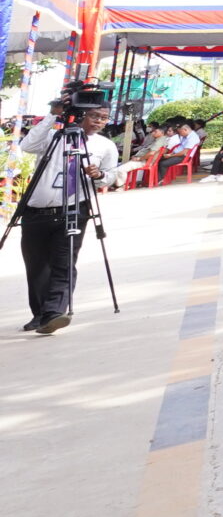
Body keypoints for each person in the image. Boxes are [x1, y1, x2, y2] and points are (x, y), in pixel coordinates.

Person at [18, 87, 118, 334]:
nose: (99, 122)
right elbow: (28, 145)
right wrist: (53, 115)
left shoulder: (105, 146)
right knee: (37, 266)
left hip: (75, 211)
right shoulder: (54, 137)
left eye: (104, 118)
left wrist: (99, 175)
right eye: (94, 116)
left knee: (64, 263)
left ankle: (54, 312)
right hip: (37, 211)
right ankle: (40, 314)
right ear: (81, 114)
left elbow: (110, 176)